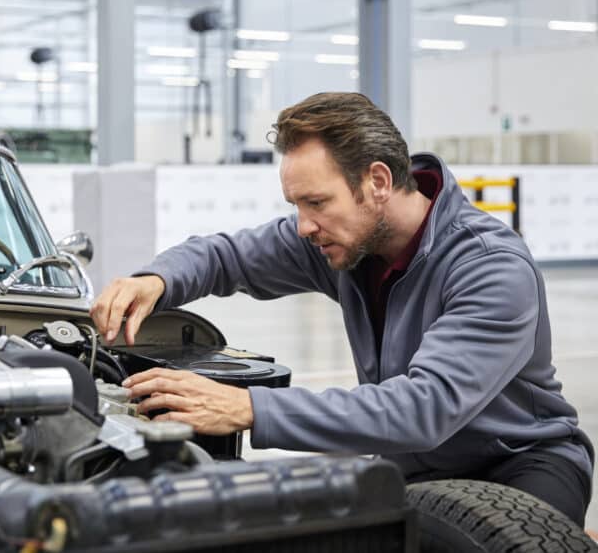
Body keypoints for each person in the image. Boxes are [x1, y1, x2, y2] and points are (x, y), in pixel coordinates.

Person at [90, 92, 593, 526]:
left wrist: (247, 407)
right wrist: (154, 279)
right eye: (296, 206)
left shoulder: (490, 268)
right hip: (415, 464)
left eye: (316, 203)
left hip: (520, 463)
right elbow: (225, 256)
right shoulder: (343, 241)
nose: (304, 225)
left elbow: (423, 409)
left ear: (377, 182)